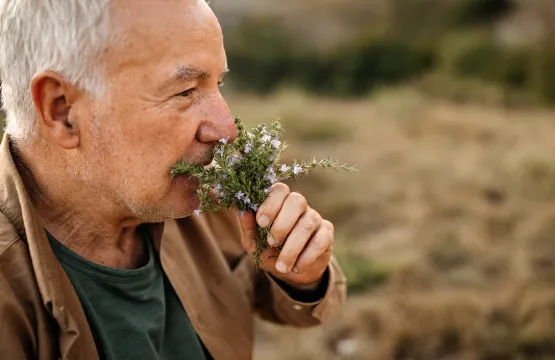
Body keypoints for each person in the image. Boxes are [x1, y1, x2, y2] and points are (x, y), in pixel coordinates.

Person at [0, 1, 347, 359]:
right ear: (63, 111)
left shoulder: (202, 196)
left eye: (218, 83)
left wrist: (301, 274)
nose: (225, 129)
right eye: (185, 92)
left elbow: (291, 303)